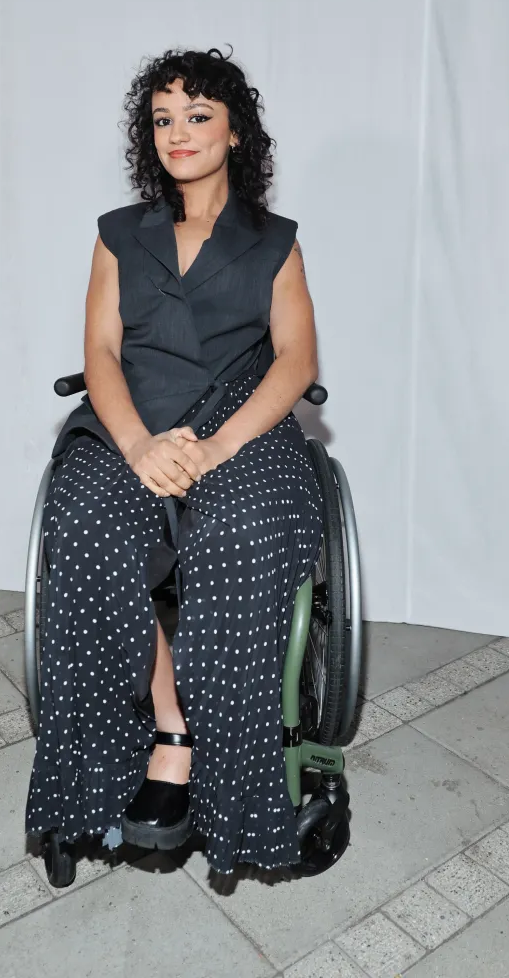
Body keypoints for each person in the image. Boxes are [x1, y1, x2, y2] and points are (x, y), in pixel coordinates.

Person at [26, 46, 323, 875]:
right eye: (163, 118)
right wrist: (136, 444)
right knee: (86, 521)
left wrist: (223, 446)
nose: (177, 132)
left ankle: (230, 797)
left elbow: (295, 361)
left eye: (197, 116)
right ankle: (165, 736)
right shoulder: (120, 236)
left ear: (234, 135)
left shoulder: (274, 243)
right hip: (133, 419)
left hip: (239, 421)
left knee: (235, 535)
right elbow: (100, 351)